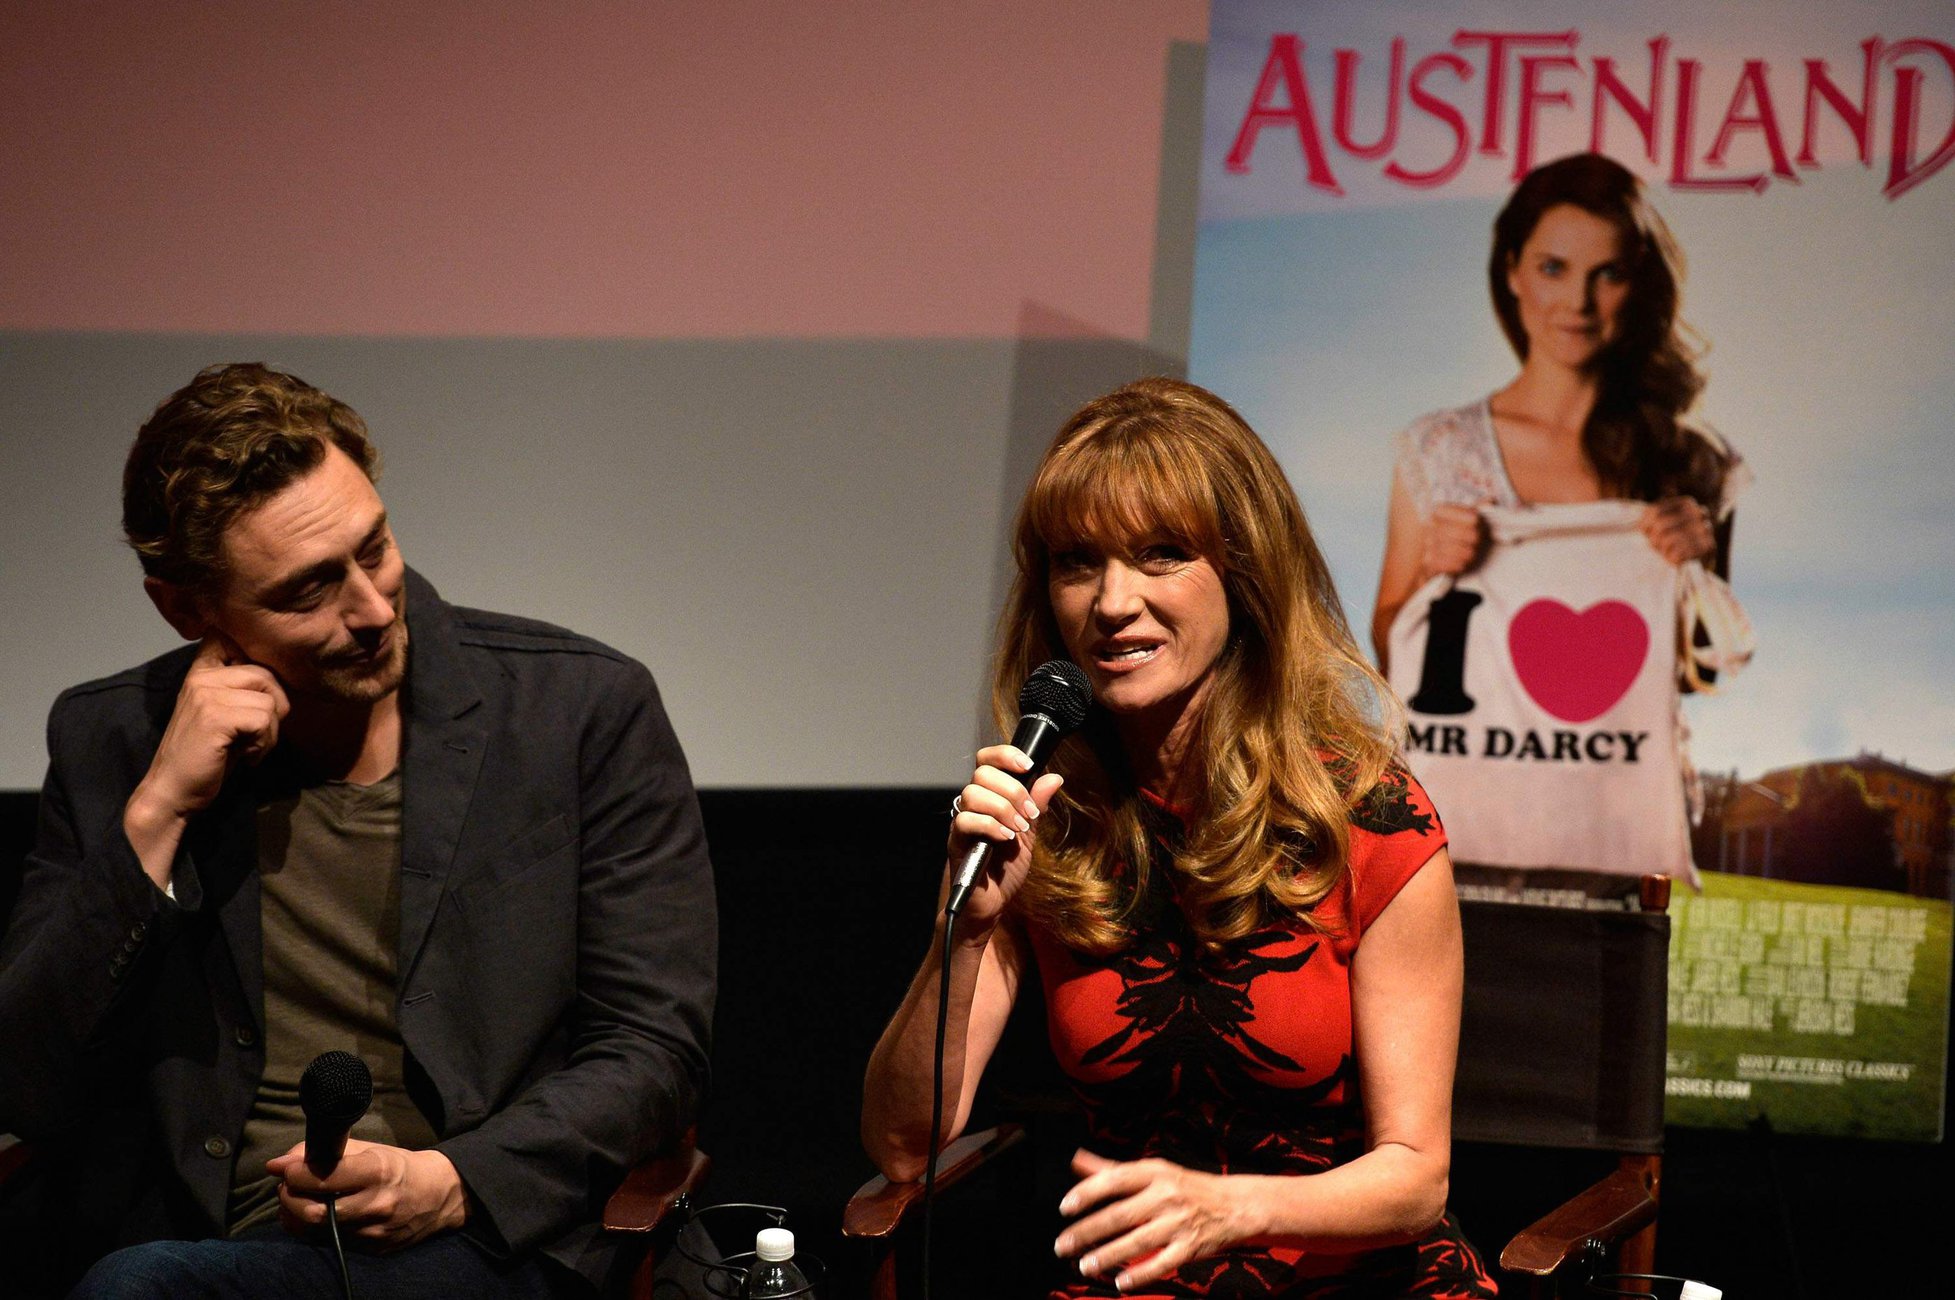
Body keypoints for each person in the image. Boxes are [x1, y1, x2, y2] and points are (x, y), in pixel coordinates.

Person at [0, 363, 716, 1299]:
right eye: (307, 592)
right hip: (213, 1241)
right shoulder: (113, 740)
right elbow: (27, 1083)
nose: (375, 611)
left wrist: (453, 1181)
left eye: (373, 550)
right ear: (185, 608)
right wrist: (157, 813)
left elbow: (653, 1050)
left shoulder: (576, 709)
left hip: (489, 1240)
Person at [862, 378, 1496, 1297]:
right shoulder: (1044, 819)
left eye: (1160, 555)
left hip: (1358, 1280)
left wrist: (1227, 1208)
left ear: (1243, 572)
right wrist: (961, 936)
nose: (1112, 601)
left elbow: (1414, 1180)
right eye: (1077, 562)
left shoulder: (1365, 815)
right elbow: (900, 1146)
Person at [1372, 152, 1744, 672]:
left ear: (1638, 284)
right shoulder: (1440, 447)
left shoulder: (1692, 459)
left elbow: (1701, 672)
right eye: (1553, 268)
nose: (1578, 301)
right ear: (1512, 272)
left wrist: (1698, 571)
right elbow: (1390, 658)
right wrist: (1427, 580)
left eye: (1608, 274)